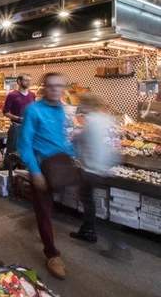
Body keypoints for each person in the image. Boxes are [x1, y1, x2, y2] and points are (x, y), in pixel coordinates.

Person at [17, 73, 75, 280]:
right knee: (43, 212)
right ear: (44, 88)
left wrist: (74, 157)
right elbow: (23, 144)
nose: (55, 90)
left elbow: (65, 140)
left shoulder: (63, 111)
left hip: (62, 167)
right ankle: (52, 254)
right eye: (51, 86)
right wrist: (34, 171)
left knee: (50, 209)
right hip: (43, 169)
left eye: (59, 86)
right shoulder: (33, 110)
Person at [70, 94, 119, 245]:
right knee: (89, 200)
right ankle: (88, 229)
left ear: (86, 105)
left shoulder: (90, 121)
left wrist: (74, 137)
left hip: (90, 168)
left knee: (87, 201)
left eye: (82, 103)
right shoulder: (103, 119)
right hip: (101, 167)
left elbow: (81, 141)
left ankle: (93, 232)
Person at [2, 74, 35, 190]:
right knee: (11, 153)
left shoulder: (32, 95)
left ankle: (21, 179)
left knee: (26, 153)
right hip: (15, 127)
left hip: (28, 129)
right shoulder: (12, 95)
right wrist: (17, 118)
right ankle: (5, 179)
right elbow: (5, 112)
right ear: (19, 81)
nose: (28, 82)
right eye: (26, 80)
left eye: (30, 80)